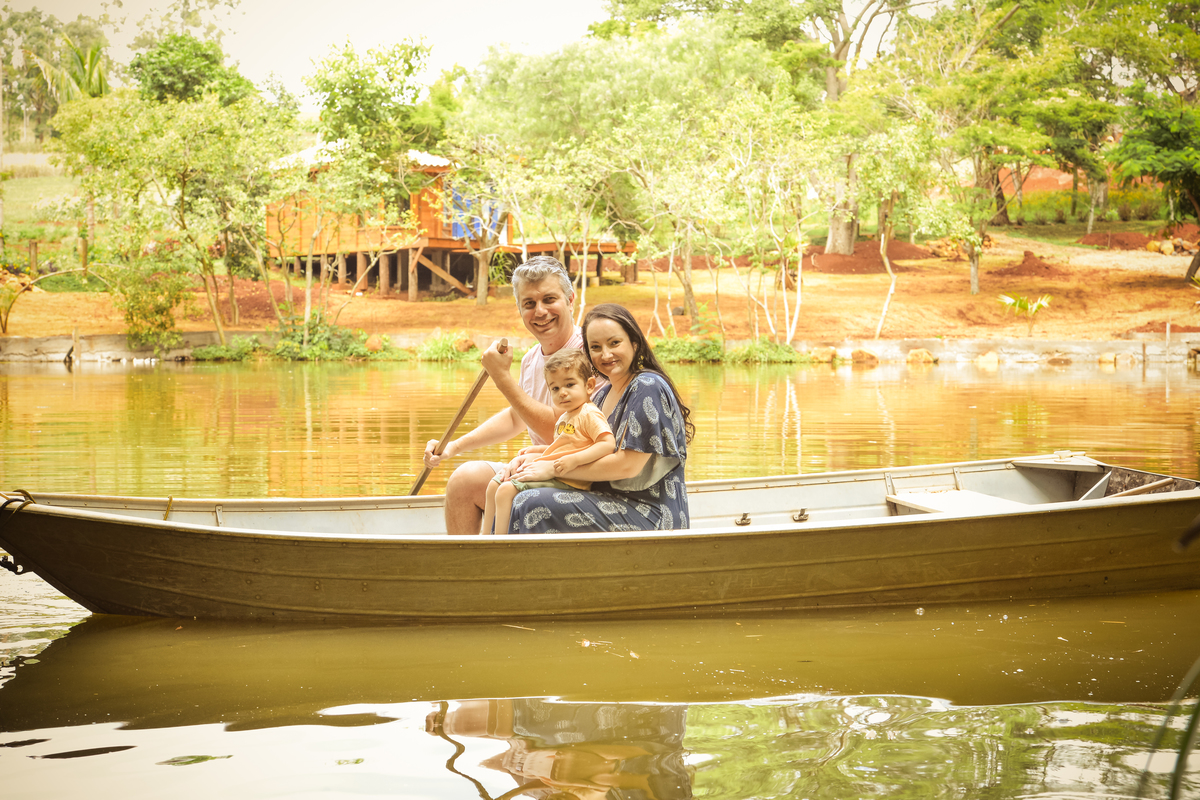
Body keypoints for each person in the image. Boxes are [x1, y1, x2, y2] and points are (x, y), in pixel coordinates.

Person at [422, 255, 591, 535]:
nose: (540, 311)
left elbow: (561, 432)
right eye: (529, 304)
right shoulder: (531, 359)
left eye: (549, 300)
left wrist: (502, 379)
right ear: (519, 308)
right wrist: (453, 446)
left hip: (576, 471)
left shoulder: (589, 350)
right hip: (538, 466)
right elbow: (517, 417)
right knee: (463, 480)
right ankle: (466, 570)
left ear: (570, 299)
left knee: (505, 487)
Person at [502, 303, 695, 534]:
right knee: (513, 488)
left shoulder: (647, 386)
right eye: (595, 347)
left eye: (614, 343)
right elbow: (577, 447)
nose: (605, 354)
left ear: (634, 343)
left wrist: (553, 469)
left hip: (652, 514)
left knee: (531, 501)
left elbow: (627, 466)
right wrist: (531, 459)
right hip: (606, 499)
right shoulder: (601, 395)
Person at [481, 349, 615, 535]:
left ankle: (499, 544)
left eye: (569, 384)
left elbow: (608, 444)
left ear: (589, 386)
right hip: (556, 472)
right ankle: (483, 538)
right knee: (493, 486)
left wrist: (575, 460)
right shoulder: (566, 417)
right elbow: (568, 445)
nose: (562, 393)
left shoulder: (589, 414)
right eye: (555, 388)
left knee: (504, 491)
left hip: (571, 480)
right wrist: (539, 449)